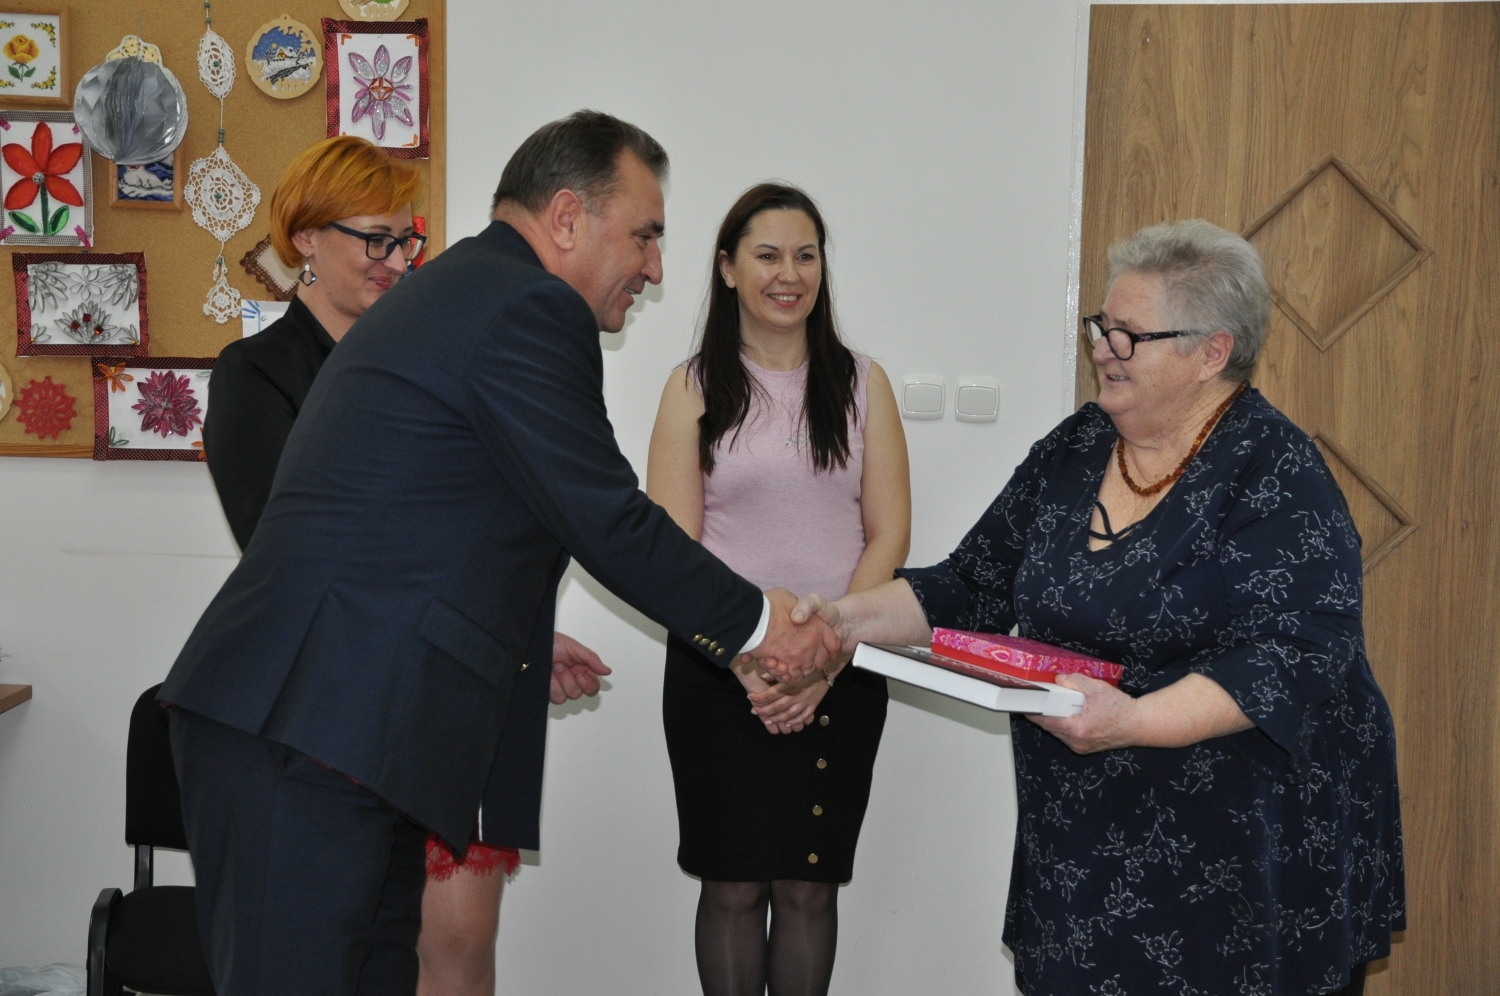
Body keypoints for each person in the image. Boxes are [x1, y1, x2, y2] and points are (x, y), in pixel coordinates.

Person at [161, 111, 838, 995]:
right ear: (567, 217)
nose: (655, 268)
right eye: (645, 235)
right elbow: (605, 516)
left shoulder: (469, 293)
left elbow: (451, 531)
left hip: (348, 733)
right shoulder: (526, 306)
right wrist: (758, 624)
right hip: (308, 727)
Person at [793, 220, 1404, 996]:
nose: (1104, 350)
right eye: (1101, 327)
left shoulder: (1275, 469)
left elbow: (1295, 652)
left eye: (1130, 336)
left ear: (1211, 353)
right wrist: (842, 623)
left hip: (1247, 844)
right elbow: (970, 585)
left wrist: (1136, 721)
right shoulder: (1077, 446)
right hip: (1089, 832)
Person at [202, 134, 601, 996]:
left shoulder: (432, 351)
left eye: (406, 241)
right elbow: (300, 554)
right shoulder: (255, 373)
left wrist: (520, 637)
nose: (395, 261)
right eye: (373, 240)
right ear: (306, 239)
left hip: (416, 711)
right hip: (323, 713)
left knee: (418, 955)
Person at [647, 184, 910, 996]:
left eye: (805, 255)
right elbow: (671, 553)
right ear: (728, 268)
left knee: (806, 889)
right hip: (720, 671)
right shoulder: (692, 387)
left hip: (842, 667)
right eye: (767, 256)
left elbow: (889, 536)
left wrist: (824, 661)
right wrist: (749, 661)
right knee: (731, 888)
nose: (788, 274)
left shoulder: (864, 383)